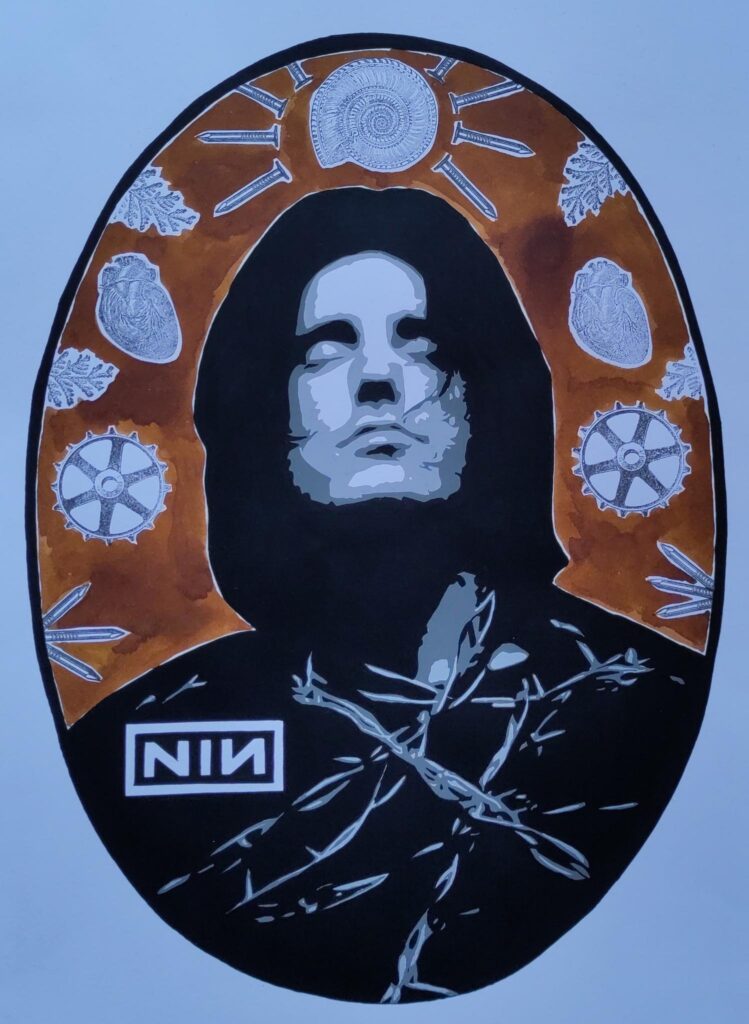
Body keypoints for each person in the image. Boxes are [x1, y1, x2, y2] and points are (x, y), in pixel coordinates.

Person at [66, 188, 705, 1003]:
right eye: (325, 349)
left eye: (422, 343)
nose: (377, 381)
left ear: (484, 395)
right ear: (262, 408)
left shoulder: (648, 699)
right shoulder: (149, 732)